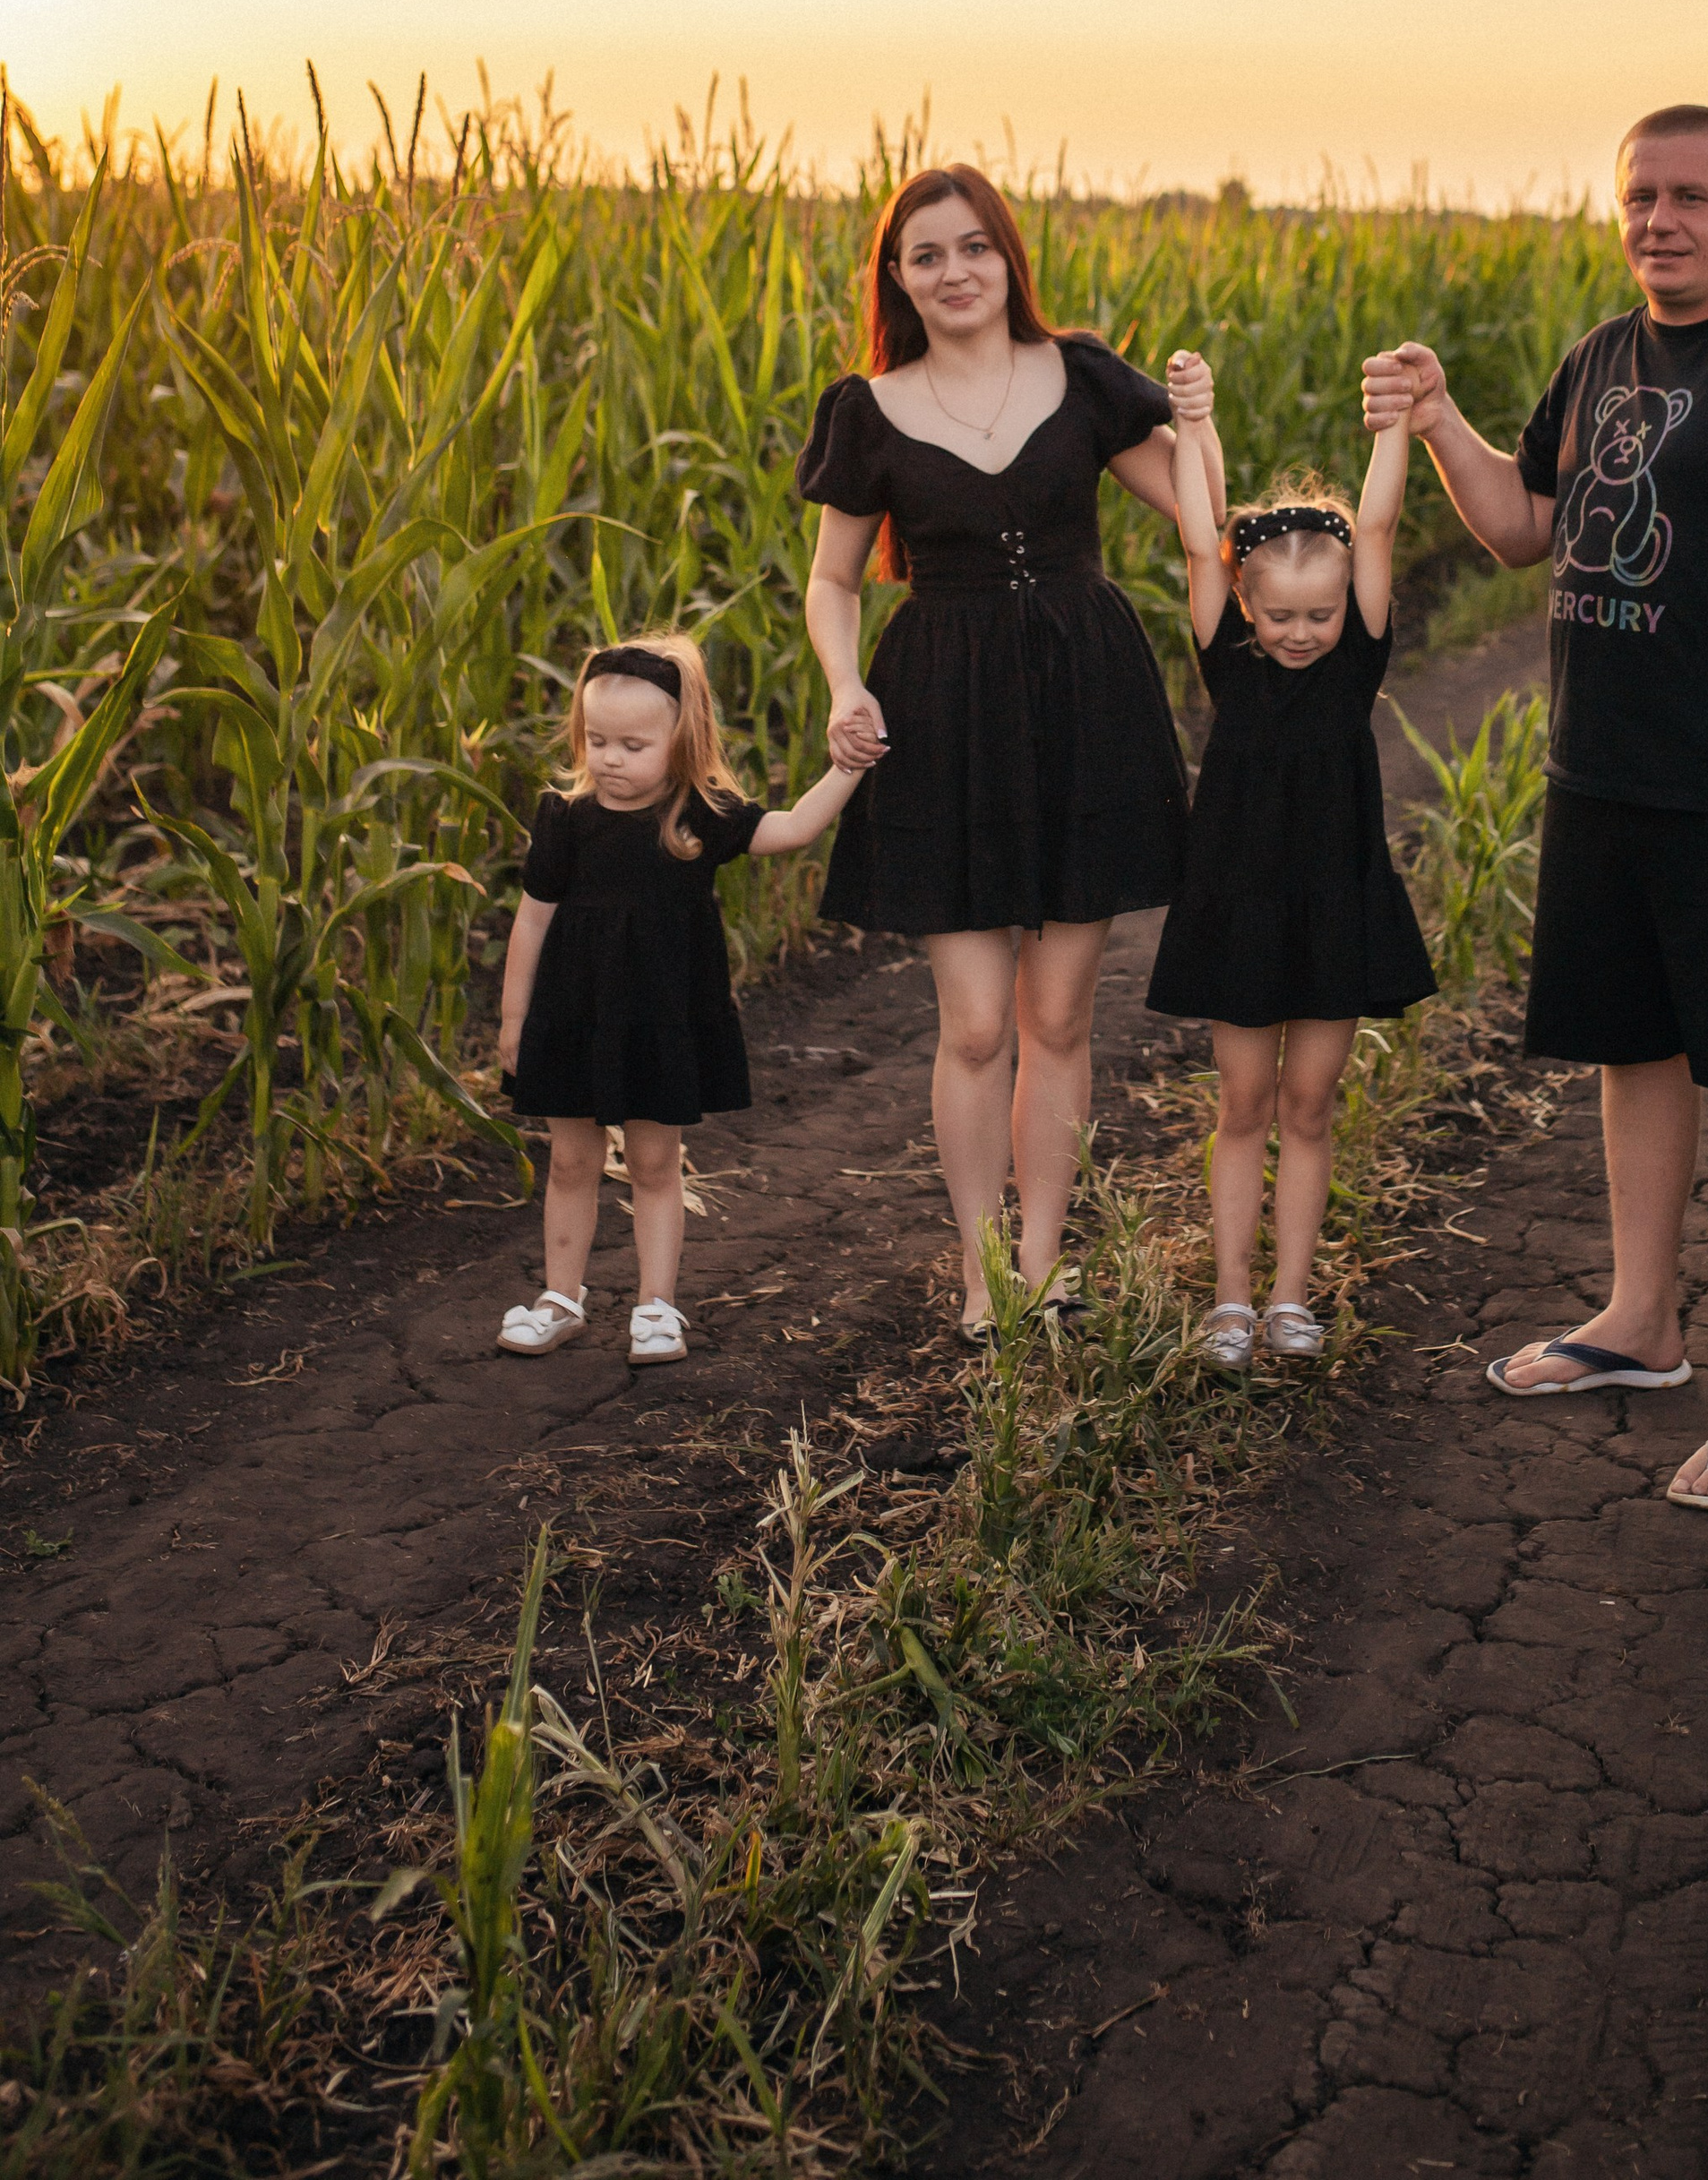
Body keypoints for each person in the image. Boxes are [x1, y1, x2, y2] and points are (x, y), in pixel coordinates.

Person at [1362, 103, 1708, 1508]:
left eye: (1691, 195)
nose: (1662, 220)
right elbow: (1522, 526)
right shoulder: (1601, 358)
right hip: (1605, 777)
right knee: (1634, 1052)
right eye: (1640, 197)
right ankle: (1642, 1324)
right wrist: (1438, 422)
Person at [797, 166, 1219, 1340]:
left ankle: (1043, 1260)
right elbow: (834, 581)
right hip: (943, 711)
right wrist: (843, 684)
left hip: (1086, 699)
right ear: (898, 277)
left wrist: (1197, 421)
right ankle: (984, 1272)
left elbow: (1198, 521)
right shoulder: (870, 411)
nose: (955, 272)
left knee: (1059, 1021)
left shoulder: (1080, 373)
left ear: (1007, 257)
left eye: (974, 247)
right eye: (927, 254)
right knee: (976, 1024)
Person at [1148, 352, 1437, 1366]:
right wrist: (1195, 422)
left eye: (1318, 615)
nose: (1304, 634)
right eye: (1282, 618)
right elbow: (1195, 537)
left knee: (1310, 1107)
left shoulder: (1357, 654)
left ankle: (1287, 1299)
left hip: (1335, 902)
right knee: (1244, 1106)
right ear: (1245, 603)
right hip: (1240, 902)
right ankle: (1229, 1301)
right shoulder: (1227, 653)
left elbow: (1384, 524)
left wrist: (1393, 424)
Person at [495, 635, 861, 1364]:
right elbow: (533, 918)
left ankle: (656, 1308)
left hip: (660, 1019)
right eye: (596, 740)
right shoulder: (565, 816)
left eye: (632, 745)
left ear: (680, 742)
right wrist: (513, 1019)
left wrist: (846, 769)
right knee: (570, 1163)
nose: (609, 759)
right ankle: (561, 1298)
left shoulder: (700, 814)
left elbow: (789, 830)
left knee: (655, 1164)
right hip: (574, 1014)